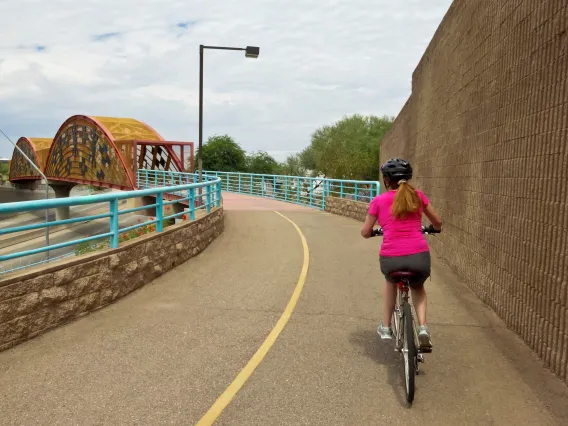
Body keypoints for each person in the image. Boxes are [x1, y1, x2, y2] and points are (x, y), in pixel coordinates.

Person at [360, 158, 442, 349]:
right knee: (418, 288)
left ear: (387, 179)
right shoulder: (418, 196)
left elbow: (365, 232)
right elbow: (438, 221)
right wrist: (434, 228)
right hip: (418, 257)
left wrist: (374, 232)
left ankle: (387, 327)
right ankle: (422, 328)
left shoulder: (379, 201)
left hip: (392, 259)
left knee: (391, 282)